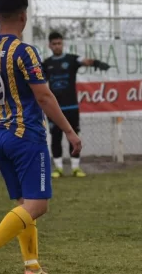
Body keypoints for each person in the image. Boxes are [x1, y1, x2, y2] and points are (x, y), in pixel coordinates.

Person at [0, 0, 82, 274]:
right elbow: (43, 96)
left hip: (2, 135)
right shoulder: (24, 52)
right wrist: (69, 130)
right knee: (38, 204)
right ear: (23, 16)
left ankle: (31, 268)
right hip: (26, 136)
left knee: (23, 203)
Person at [43, 31, 110, 177]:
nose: (57, 46)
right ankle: (58, 168)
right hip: (54, 109)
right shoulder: (46, 64)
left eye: (59, 43)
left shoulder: (72, 59)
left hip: (71, 107)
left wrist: (97, 63)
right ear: (49, 45)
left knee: (74, 136)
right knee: (55, 137)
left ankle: (75, 167)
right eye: (54, 44)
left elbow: (85, 61)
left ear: (63, 44)